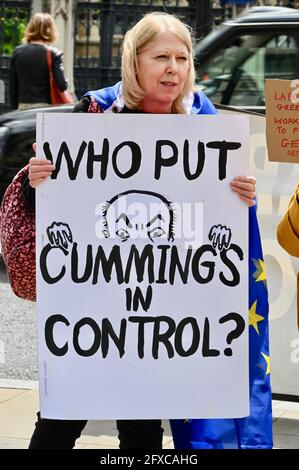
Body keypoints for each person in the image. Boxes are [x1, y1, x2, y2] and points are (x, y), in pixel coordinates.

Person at [23, 12, 257, 449]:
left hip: (161, 311)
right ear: (134, 61)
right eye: (161, 57)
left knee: (144, 426)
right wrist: (37, 179)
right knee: (61, 419)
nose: (174, 68)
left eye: (183, 58)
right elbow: (52, 207)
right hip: (92, 308)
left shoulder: (204, 121)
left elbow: (214, 218)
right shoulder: (93, 111)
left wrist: (240, 193)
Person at [9, 12, 68, 110]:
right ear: (50, 30)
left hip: (23, 107)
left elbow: (13, 87)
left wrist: (15, 109)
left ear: (30, 28)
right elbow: (62, 86)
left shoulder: (17, 52)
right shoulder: (53, 53)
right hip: (46, 108)